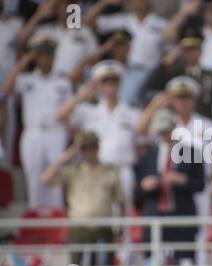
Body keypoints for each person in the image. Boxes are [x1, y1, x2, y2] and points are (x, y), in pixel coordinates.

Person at [57, 60, 142, 215]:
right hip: (95, 170)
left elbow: (142, 142)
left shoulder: (132, 112)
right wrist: (81, 95)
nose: (110, 86)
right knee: (97, 214)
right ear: (98, 85)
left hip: (123, 169)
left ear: (121, 84)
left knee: (124, 216)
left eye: (114, 81)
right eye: (105, 82)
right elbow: (60, 116)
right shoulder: (88, 111)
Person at [1, 32, 73, 209]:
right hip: (33, 131)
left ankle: (56, 220)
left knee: (56, 176)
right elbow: (6, 90)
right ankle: (35, 221)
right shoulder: (26, 79)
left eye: (48, 55)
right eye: (40, 55)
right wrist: (24, 62)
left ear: (54, 57)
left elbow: (69, 111)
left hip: (56, 131)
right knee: (33, 177)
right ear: (35, 57)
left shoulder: (63, 81)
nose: (44, 59)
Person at [41, 132, 124, 266]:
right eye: (84, 149)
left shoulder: (110, 172)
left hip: (103, 228)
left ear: (97, 148)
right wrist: (66, 157)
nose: (88, 152)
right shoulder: (73, 171)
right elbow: (45, 179)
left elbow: (120, 203)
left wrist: (119, 232)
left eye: (91, 148)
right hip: (79, 228)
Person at [134, 108, 204, 265]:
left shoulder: (191, 152)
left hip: (181, 216)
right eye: (160, 131)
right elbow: (138, 191)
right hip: (155, 217)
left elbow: (200, 184)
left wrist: (182, 180)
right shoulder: (148, 155)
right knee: (152, 264)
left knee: (185, 263)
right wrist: (145, 185)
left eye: (166, 130)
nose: (163, 134)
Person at [86, 0, 170, 106]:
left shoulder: (161, 24)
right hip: (122, 73)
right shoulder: (122, 20)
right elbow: (89, 22)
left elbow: (168, 51)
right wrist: (105, 2)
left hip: (150, 78)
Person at [148, 24, 212, 127]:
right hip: (178, 125)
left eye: (193, 49)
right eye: (187, 50)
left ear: (200, 51)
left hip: (205, 126)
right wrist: (167, 61)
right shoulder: (175, 74)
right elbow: (152, 84)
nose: (190, 53)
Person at [18, 0, 98, 76]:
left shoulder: (85, 32)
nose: (66, 11)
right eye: (62, 7)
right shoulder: (46, 30)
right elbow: (22, 39)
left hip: (74, 83)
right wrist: (40, 14)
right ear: (56, 9)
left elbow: (94, 59)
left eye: (69, 6)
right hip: (46, 82)